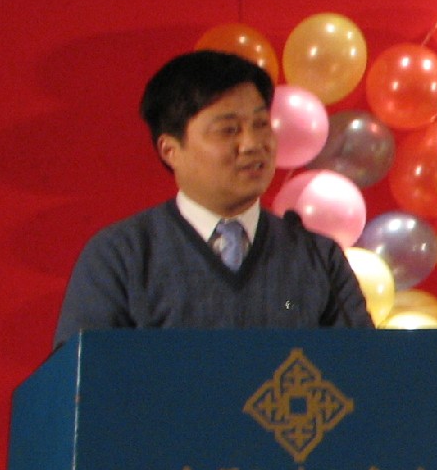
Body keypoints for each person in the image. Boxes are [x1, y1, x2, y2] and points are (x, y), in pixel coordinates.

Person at [54, 50, 372, 346]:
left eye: (261, 125)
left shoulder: (317, 257)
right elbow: (82, 378)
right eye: (228, 130)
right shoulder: (121, 256)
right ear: (170, 150)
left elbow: (366, 370)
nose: (252, 144)